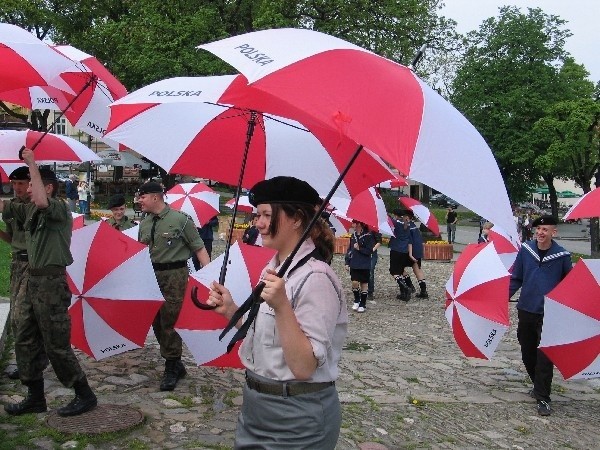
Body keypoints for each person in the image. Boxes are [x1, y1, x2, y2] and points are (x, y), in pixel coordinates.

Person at [206, 176, 347, 448]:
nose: (257, 223)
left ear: (296, 219)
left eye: (266, 215)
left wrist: (281, 306)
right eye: (257, 215)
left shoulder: (316, 279)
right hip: (256, 405)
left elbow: (304, 366)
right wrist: (232, 311)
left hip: (298, 415)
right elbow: (268, 335)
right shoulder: (275, 269)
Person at [1, 149, 97, 417]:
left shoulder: (57, 208)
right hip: (31, 280)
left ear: (49, 188)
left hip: (51, 284)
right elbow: (9, 207)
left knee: (56, 343)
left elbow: (43, 202)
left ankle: (84, 394)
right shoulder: (30, 210)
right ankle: (35, 396)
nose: (27, 190)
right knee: (24, 337)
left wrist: (31, 162)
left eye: (32, 185)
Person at [137, 181, 210, 391]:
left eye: (143, 197)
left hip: (174, 275)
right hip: (151, 275)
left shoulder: (181, 220)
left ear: (155, 197)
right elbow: (141, 252)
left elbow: (199, 249)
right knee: (156, 321)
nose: (139, 201)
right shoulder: (145, 223)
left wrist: (208, 278)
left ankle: (171, 365)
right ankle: (176, 364)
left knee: (170, 319)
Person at [509, 215, 572, 417]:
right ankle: (538, 385)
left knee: (545, 357)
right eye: (538, 229)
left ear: (554, 232)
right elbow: (516, 277)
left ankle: (543, 397)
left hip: (549, 313)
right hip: (526, 308)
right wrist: (501, 297)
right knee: (528, 352)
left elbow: (568, 284)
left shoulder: (562, 256)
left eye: (545, 230)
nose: (540, 233)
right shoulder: (526, 251)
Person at [2, 167, 49, 380]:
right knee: (17, 317)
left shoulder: (34, 207)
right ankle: (26, 364)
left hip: (33, 265)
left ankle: (34, 363)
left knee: (26, 318)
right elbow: (13, 239)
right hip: (17, 264)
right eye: (13, 184)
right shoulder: (11, 210)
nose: (17, 188)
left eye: (21, 183)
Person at [345, 220, 374, 312]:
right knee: (354, 283)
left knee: (364, 284)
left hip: (364, 263)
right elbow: (349, 250)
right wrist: (347, 262)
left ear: (359, 224)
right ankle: (357, 300)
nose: (352, 224)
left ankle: (363, 304)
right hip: (354, 262)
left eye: (354, 223)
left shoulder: (368, 236)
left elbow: (369, 251)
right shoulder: (353, 236)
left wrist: (359, 248)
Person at [388, 209, 412, 301]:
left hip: (396, 249)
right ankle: (403, 293)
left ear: (396, 215)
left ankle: (406, 287)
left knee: (393, 271)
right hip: (404, 250)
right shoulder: (407, 223)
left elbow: (388, 220)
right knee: (400, 270)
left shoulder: (395, 222)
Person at [407, 213, 429, 299]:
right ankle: (423, 291)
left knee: (398, 269)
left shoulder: (408, 227)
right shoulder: (414, 226)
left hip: (411, 251)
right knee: (417, 270)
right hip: (418, 250)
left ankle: (409, 286)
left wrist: (410, 253)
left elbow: (410, 241)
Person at [367, 229, 382, 300]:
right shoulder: (362, 228)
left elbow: (379, 242)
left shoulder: (374, 229)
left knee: (370, 271)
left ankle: (370, 292)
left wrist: (372, 250)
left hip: (372, 254)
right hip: (362, 253)